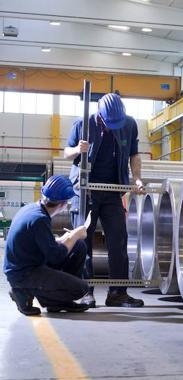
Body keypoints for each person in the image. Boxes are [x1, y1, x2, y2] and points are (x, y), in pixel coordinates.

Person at [65, 93, 144, 308]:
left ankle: (118, 294)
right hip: (86, 191)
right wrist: (77, 150)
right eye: (109, 124)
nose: (112, 128)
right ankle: (84, 292)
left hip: (113, 190)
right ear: (100, 115)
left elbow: (134, 155)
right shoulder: (83, 124)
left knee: (118, 240)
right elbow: (66, 153)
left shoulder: (128, 124)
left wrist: (137, 178)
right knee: (82, 241)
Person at [4, 175, 90, 316]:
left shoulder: (33, 209)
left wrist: (64, 239)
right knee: (80, 289)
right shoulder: (40, 219)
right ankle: (22, 291)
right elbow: (56, 257)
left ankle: (57, 301)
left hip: (26, 265)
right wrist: (74, 235)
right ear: (63, 204)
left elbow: (40, 243)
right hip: (23, 273)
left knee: (78, 246)